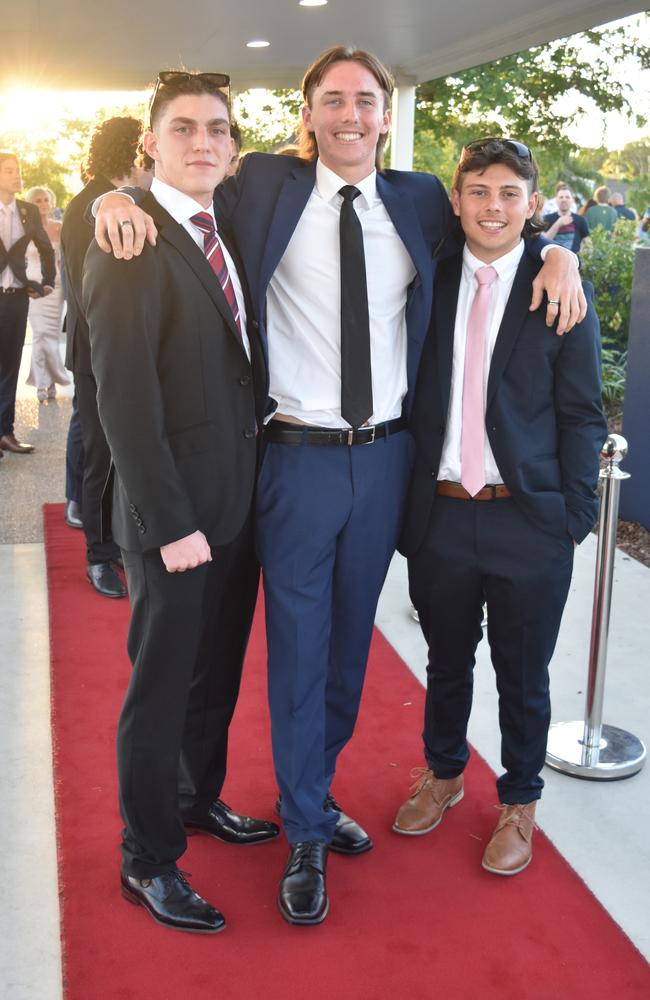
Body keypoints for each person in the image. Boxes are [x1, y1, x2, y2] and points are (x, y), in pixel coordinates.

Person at [93, 46, 586, 926]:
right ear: (307, 113)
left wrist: (560, 254)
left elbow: (495, 233)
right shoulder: (262, 190)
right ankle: (307, 834)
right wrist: (113, 197)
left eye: (365, 101)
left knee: (349, 651)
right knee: (298, 647)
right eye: (332, 101)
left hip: (390, 461)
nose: (349, 115)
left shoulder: (421, 201)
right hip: (294, 460)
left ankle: (309, 795)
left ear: (387, 116)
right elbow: (178, 195)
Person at [83, 73, 279, 935]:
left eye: (219, 129)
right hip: (173, 522)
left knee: (215, 680)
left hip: (236, 508)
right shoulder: (127, 241)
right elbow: (123, 404)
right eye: (184, 128)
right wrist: (171, 528)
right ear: (151, 145)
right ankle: (147, 859)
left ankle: (199, 802)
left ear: (234, 148)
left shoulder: (219, 224)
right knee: (160, 693)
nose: (204, 141)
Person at [393, 139, 607, 876]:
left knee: (524, 674)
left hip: (529, 519)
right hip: (443, 515)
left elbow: (582, 415)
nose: (493, 206)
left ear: (532, 202)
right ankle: (445, 773)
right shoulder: (427, 278)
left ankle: (519, 800)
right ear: (456, 200)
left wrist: (571, 514)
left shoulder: (559, 289)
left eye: (510, 193)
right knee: (447, 659)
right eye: (478, 191)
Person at [62, 118, 151, 597]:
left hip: (120, 354)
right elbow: (85, 292)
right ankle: (98, 556)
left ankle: (116, 543)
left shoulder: (125, 201)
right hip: (97, 355)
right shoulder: (87, 207)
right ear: (134, 153)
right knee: (101, 457)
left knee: (121, 455)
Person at [0, 152, 55, 455]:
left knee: (10, 366)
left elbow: (46, 248)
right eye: (9, 171)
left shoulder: (27, 211)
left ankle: (5, 433)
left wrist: (47, 281)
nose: (17, 176)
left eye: (18, 170)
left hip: (17, 299)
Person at [23, 186, 71, 401]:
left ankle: (49, 380)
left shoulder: (60, 228)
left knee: (49, 335)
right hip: (34, 285)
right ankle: (42, 383)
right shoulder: (24, 230)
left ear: (50, 203)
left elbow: (68, 257)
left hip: (56, 287)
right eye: (37, 201)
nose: (42, 204)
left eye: (45, 200)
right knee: (40, 334)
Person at [543, 182, 589, 253]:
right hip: (553, 262)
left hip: (573, 262)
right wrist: (558, 224)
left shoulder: (580, 220)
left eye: (567, 197)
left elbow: (588, 244)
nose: (564, 200)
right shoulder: (547, 219)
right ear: (556, 200)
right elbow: (543, 242)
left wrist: (583, 256)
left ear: (572, 200)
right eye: (561, 197)